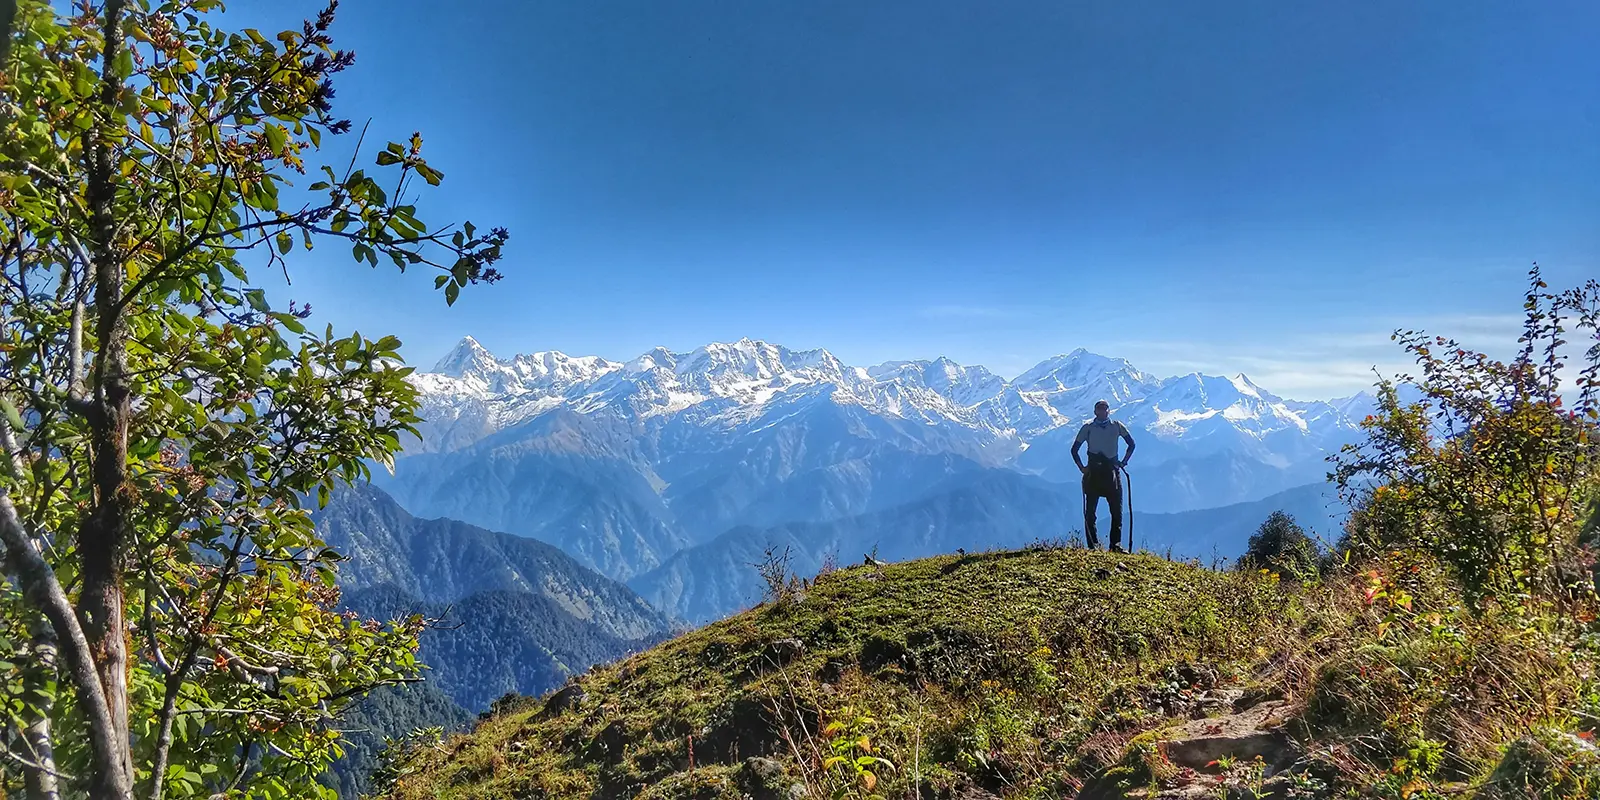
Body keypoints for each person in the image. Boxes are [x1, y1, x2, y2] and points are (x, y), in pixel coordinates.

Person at [1071, 400, 1136, 552]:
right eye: (1100, 409)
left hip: (1107, 471)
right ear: (1095, 411)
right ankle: (1093, 546)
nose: (1102, 411)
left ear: (1108, 411)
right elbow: (1074, 450)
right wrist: (1082, 468)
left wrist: (1124, 462)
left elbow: (1132, 444)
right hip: (1097, 472)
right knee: (1090, 514)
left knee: (1116, 512)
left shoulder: (1116, 426)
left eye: (1104, 409)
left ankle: (1115, 545)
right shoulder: (1088, 428)